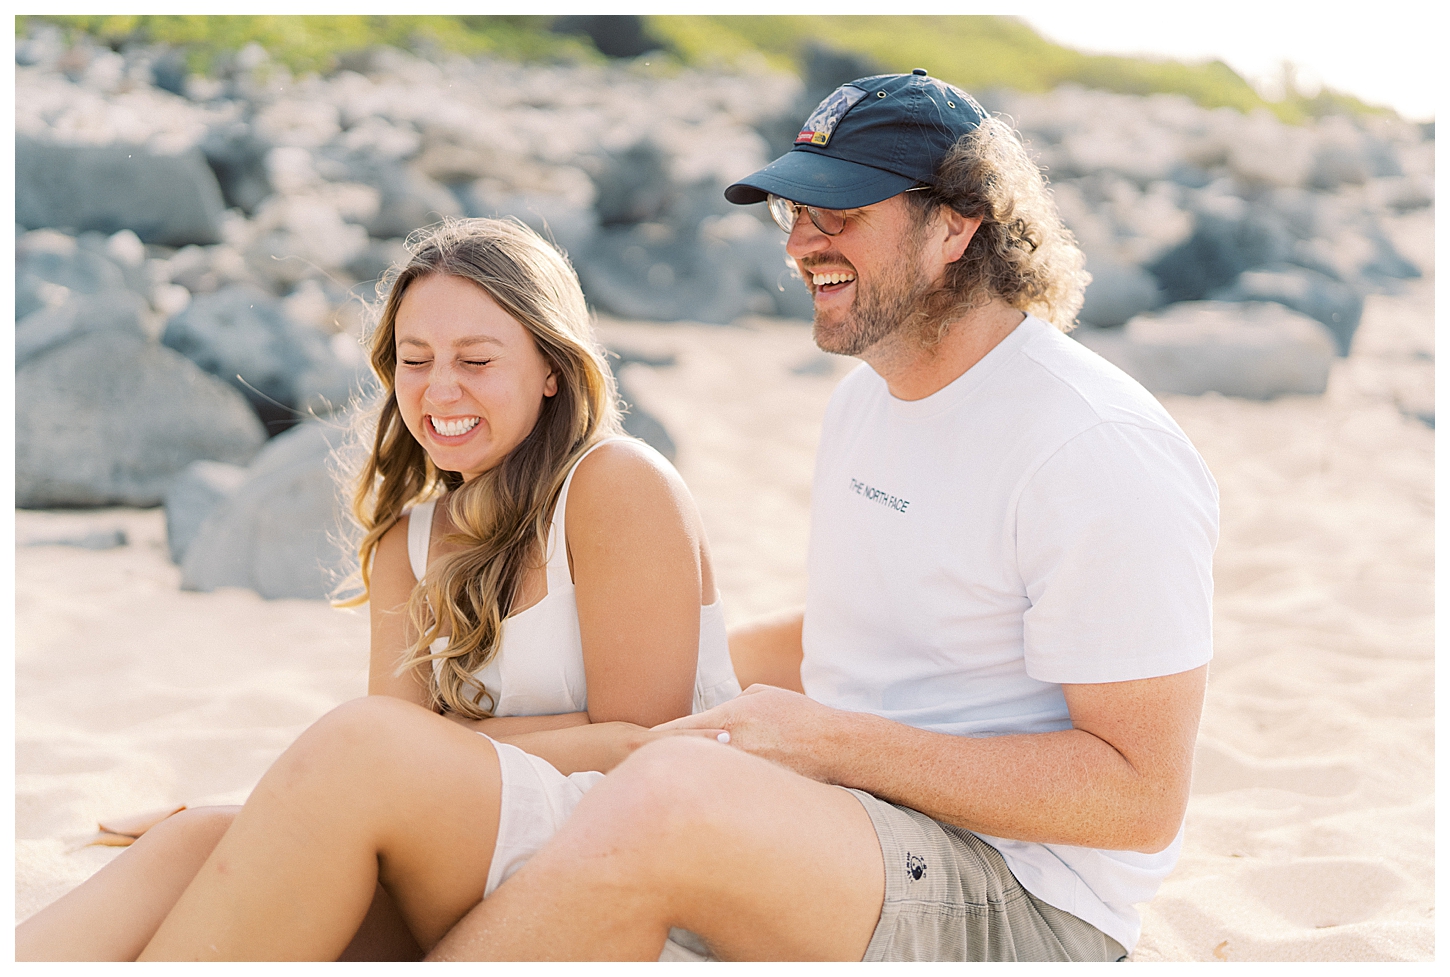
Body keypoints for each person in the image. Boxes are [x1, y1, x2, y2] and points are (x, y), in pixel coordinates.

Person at [422, 70, 1219, 962]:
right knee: (449, 810)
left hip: (1025, 899)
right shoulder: (868, 402)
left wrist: (829, 744)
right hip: (858, 830)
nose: (802, 243)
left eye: (836, 214)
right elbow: (878, 631)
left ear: (957, 224)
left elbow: (1140, 796)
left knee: (668, 796)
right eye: (791, 213)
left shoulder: (1091, 446)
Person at [15, 217, 739, 961]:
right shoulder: (411, 540)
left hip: (631, 846)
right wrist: (278, 806)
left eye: (476, 360)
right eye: (415, 359)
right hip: (471, 851)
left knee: (347, 755)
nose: (439, 388)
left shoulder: (616, 483)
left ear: (551, 367)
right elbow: (381, 763)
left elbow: (642, 747)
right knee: (194, 839)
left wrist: (407, 753)